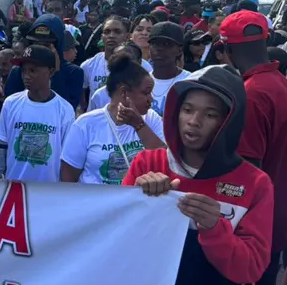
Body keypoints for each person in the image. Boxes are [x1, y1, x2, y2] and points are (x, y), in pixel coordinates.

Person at [123, 65, 274, 285]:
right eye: (188, 109)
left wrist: (214, 228)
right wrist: (138, 202)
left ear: (229, 121)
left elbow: (251, 268)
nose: (194, 121)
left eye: (210, 114)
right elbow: (117, 245)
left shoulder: (254, 183)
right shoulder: (146, 164)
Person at [221, 10, 287, 285]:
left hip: (256, 224)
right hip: (279, 211)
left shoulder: (251, 94)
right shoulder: (280, 82)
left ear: (226, 49)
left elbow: (245, 175)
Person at [62, 45, 164, 185]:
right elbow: (68, 176)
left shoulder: (152, 119)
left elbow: (164, 163)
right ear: (124, 93)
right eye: (146, 92)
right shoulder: (85, 124)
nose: (151, 99)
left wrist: (139, 125)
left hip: (136, 205)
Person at [0, 45, 74, 181]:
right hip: (15, 190)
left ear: (51, 72)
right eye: (24, 71)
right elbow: (0, 146)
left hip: (48, 193)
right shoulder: (11, 103)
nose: (26, 76)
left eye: (33, 70)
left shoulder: (65, 110)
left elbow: (68, 159)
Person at [4, 14, 83, 110]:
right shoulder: (18, 71)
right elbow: (10, 108)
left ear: (58, 45)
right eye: (36, 44)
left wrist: (56, 72)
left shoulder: (74, 72)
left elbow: (67, 109)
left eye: (46, 45)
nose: (40, 50)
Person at [82, 17, 151, 109]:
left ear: (127, 37)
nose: (111, 35)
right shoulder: (89, 65)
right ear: (102, 37)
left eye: (117, 32)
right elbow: (81, 93)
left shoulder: (143, 66)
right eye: (107, 32)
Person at [149, 22, 191, 116]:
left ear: (179, 50)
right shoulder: (140, 81)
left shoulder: (190, 81)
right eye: (155, 44)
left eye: (167, 44)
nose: (159, 48)